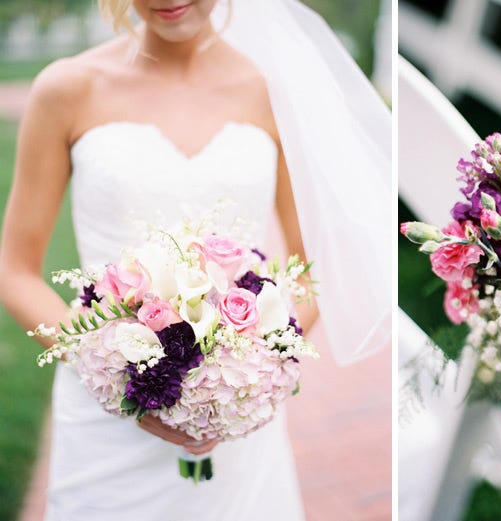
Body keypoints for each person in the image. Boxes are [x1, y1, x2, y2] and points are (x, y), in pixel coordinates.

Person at [0, 0, 391, 519]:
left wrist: (252, 370)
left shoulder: (272, 91)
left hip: (232, 424)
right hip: (102, 428)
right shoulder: (67, 88)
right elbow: (15, 270)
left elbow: (310, 269)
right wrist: (114, 374)